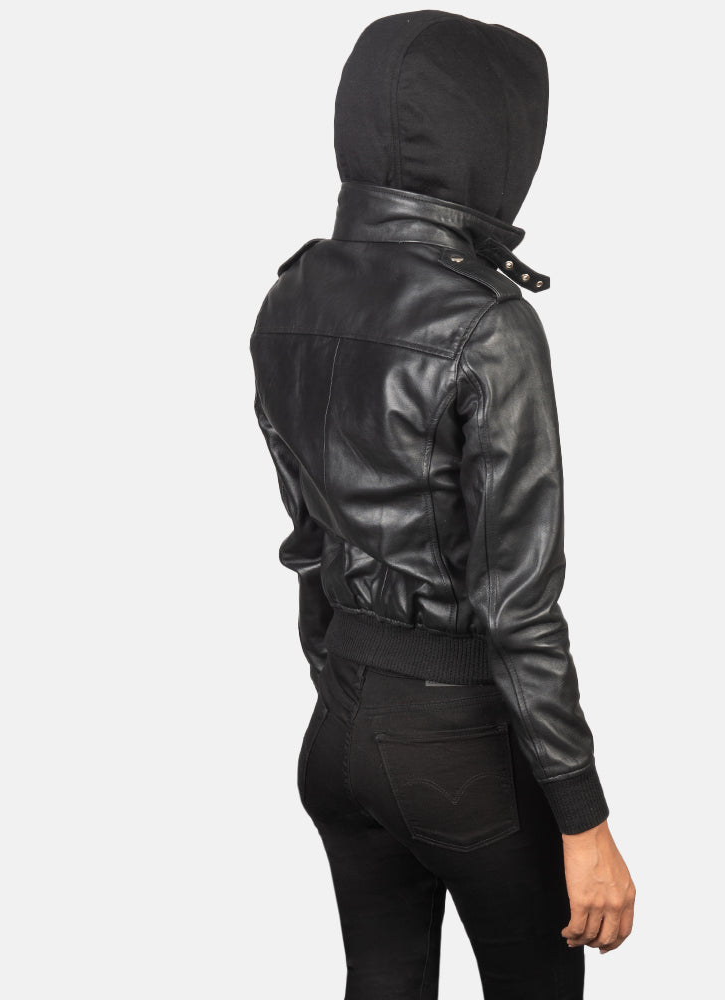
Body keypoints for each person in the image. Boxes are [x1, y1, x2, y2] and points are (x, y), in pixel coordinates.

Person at [250, 11, 636, 998]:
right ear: (494, 139)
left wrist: (353, 696)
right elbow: (518, 605)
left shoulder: (291, 295)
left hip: (337, 731)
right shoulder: (488, 323)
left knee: (381, 980)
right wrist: (584, 820)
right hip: (459, 748)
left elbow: (307, 546)